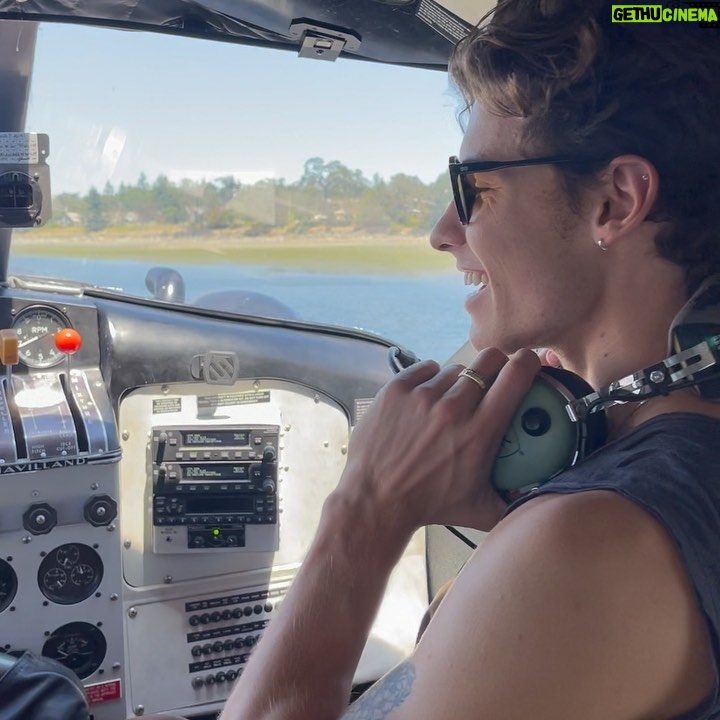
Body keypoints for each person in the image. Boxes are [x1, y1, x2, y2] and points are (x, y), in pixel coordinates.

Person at [219, 1, 720, 718]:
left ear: (615, 200)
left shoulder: (586, 546)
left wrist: (362, 512)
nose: (442, 232)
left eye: (473, 188)